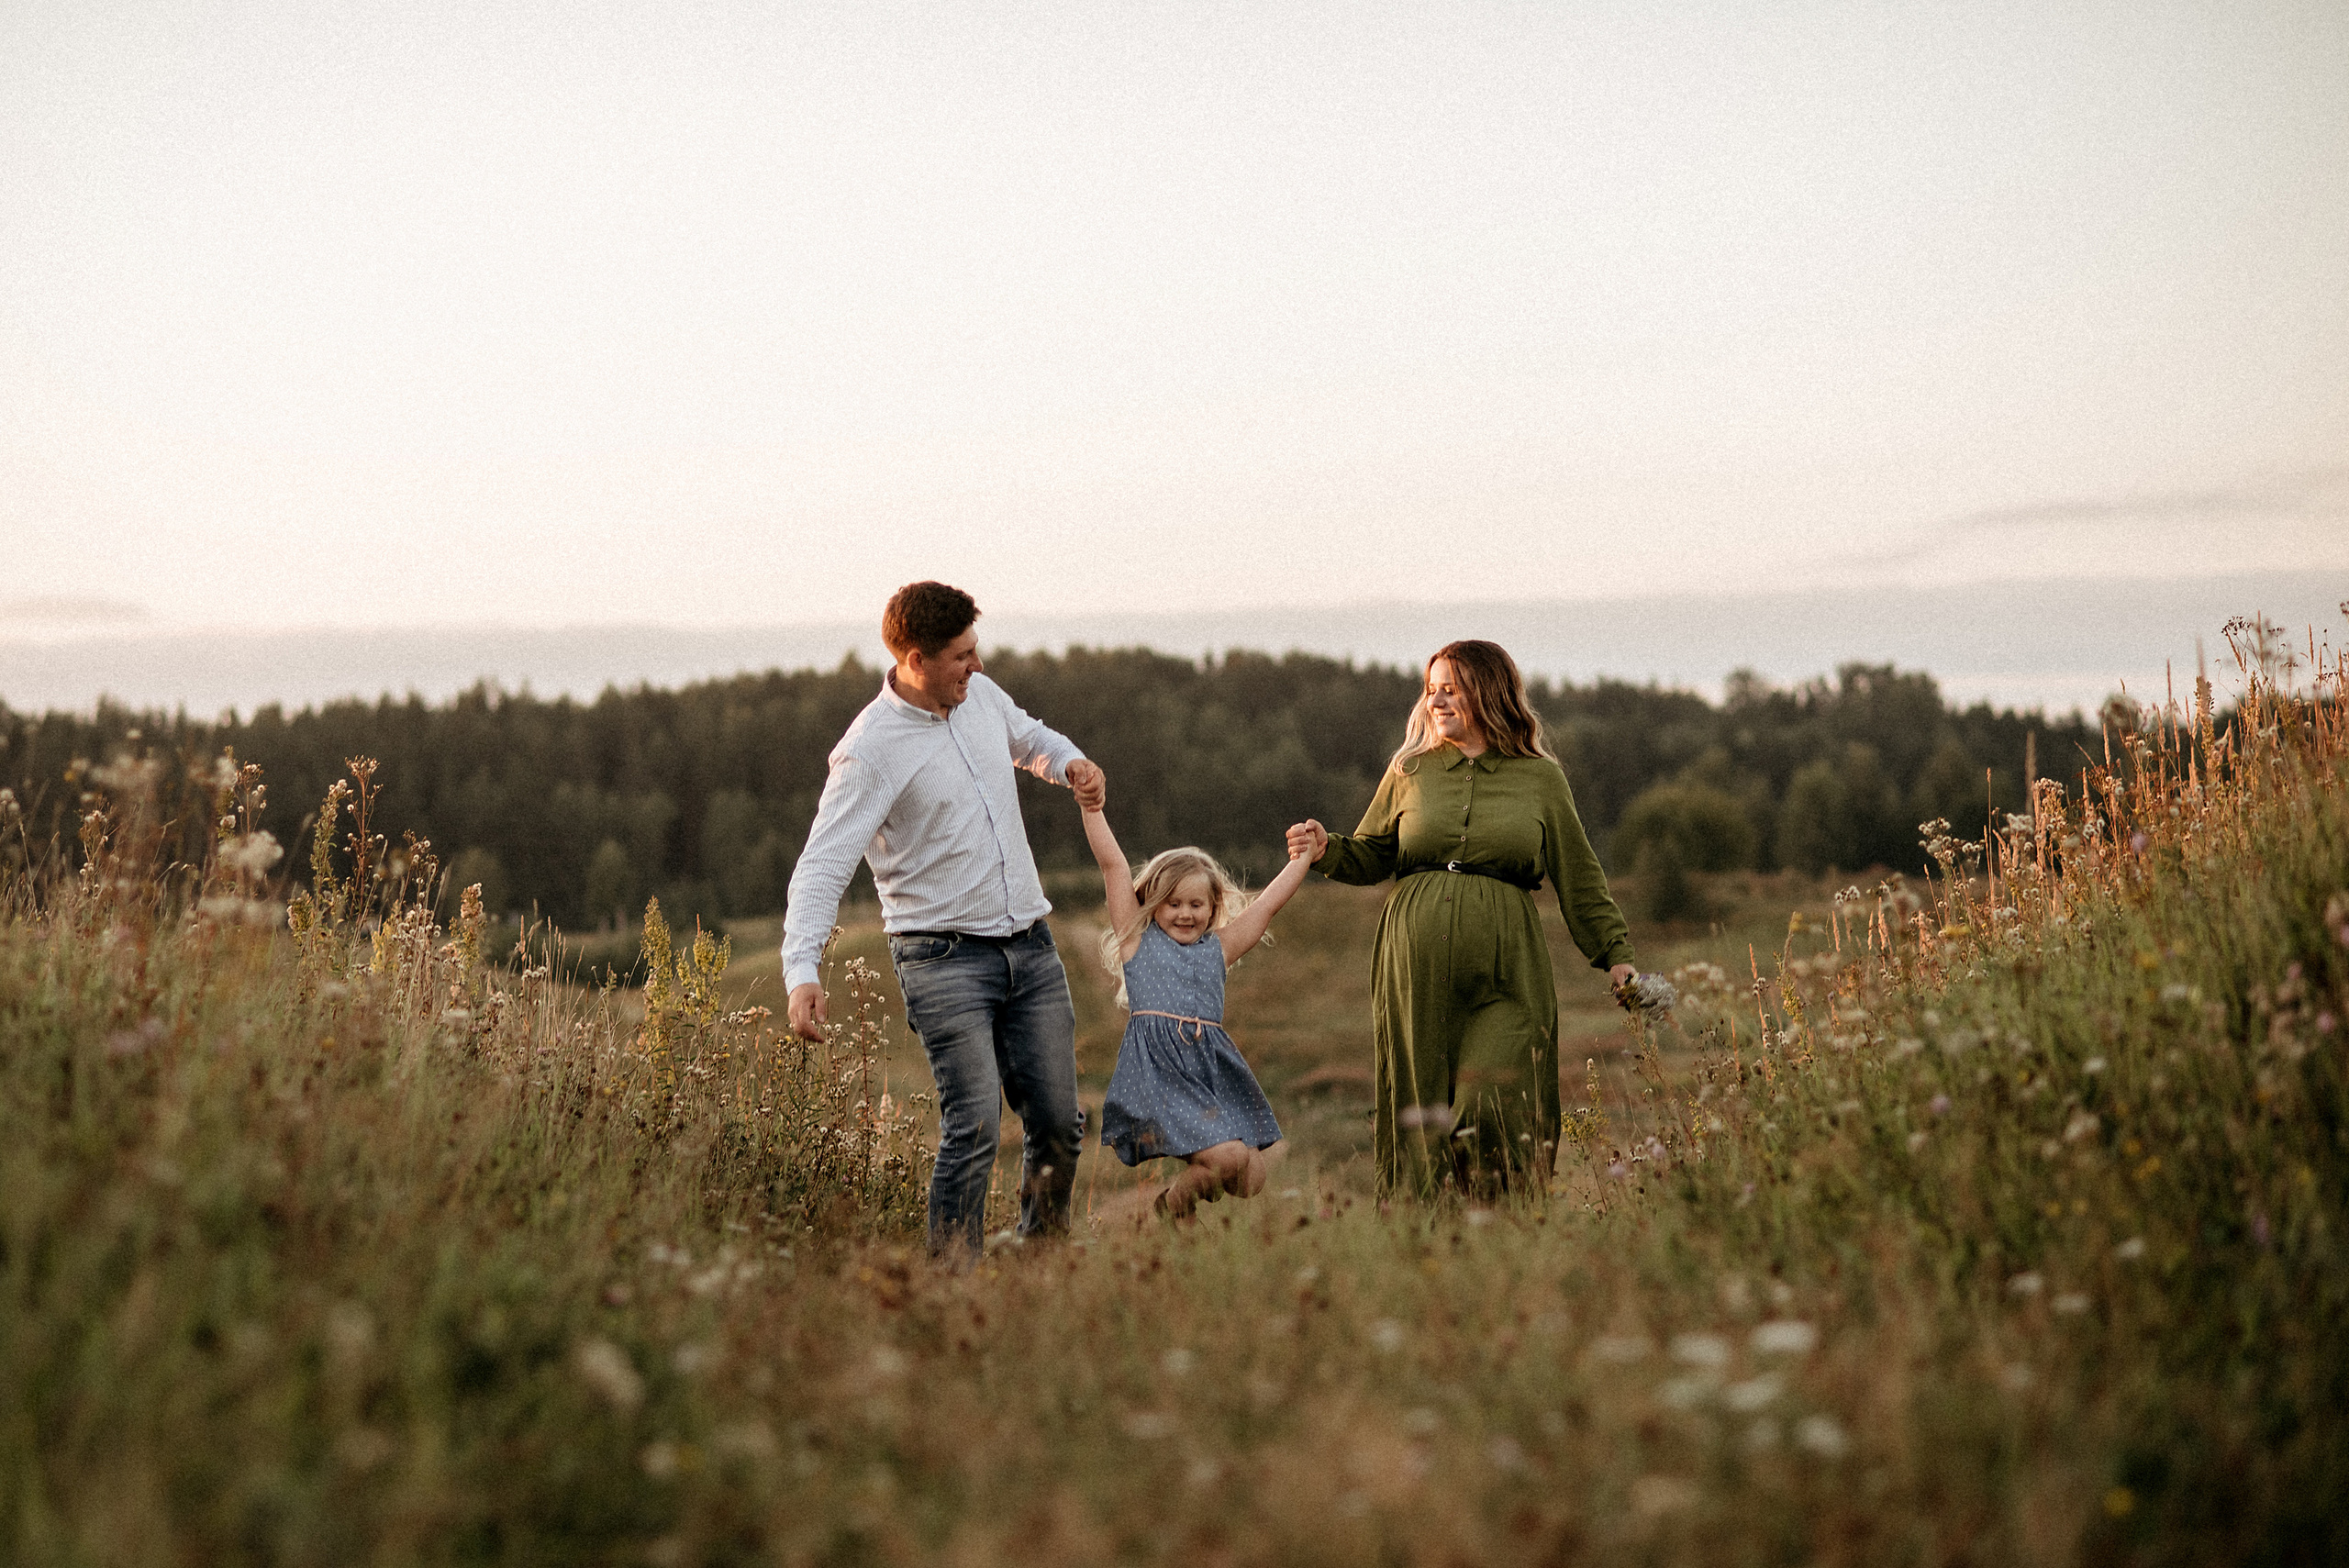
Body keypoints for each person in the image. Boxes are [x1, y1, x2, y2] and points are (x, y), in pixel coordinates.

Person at [783, 581, 1105, 1258]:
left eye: (975, 649)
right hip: (943, 960)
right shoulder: (868, 752)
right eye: (961, 656)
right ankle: (951, 1284)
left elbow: (1029, 737)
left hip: (1032, 948)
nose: (977, 666)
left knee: (1057, 1122)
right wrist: (800, 969)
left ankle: (1039, 1262)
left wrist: (1069, 761)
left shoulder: (979, 696)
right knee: (975, 1125)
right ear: (914, 659)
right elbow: (821, 865)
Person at [1286, 639, 1636, 1199]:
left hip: (1507, 965)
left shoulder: (1540, 779)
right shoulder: (1410, 770)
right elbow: (1374, 854)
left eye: (1451, 688)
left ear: (1489, 693)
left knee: (1493, 1098)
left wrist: (1616, 957)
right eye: (1431, 690)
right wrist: (1327, 848)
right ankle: (1429, 1237)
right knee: (1423, 1111)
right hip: (1414, 966)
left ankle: (1501, 1218)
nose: (1436, 701)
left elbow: (1580, 875)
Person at [1080, 798, 1306, 1218]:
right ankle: (1172, 1209)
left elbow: (1266, 906)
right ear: (1154, 903)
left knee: (1251, 1178)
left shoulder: (1219, 949)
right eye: (1173, 904)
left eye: (1196, 905)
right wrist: (1091, 808)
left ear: (1212, 907)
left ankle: (1182, 1201)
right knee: (1228, 1160)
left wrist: (1303, 859)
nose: (1185, 914)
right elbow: (1113, 866)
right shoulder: (1137, 941)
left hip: (1207, 1070)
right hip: (1161, 1072)